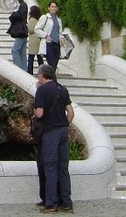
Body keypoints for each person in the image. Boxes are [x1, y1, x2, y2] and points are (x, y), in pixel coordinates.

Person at [34, 64, 74, 213]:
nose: (38, 76)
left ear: (43, 76)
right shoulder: (62, 89)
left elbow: (39, 114)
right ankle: (66, 203)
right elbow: (70, 112)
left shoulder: (41, 90)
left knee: (50, 167)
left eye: (38, 74)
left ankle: (51, 204)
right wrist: (64, 125)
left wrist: (34, 109)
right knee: (63, 167)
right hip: (63, 131)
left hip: (50, 132)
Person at [35, 1, 64, 72]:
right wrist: (45, 36)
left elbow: (59, 32)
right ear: (49, 8)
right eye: (52, 7)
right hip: (49, 43)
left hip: (57, 44)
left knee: (55, 64)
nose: (54, 8)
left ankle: (51, 81)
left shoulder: (58, 20)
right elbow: (37, 29)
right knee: (51, 64)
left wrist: (61, 38)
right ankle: (54, 82)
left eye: (55, 7)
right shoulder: (45, 17)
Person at [7, 0, 28, 70]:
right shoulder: (22, 5)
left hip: (21, 31)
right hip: (23, 30)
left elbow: (19, 15)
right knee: (22, 53)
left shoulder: (22, 5)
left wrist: (13, 14)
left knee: (15, 51)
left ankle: (18, 70)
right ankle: (24, 70)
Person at [27, 5, 45, 75]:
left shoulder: (32, 20)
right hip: (39, 40)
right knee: (39, 57)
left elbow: (30, 30)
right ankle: (42, 72)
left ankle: (29, 72)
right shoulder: (39, 19)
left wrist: (26, 27)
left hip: (33, 40)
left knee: (31, 57)